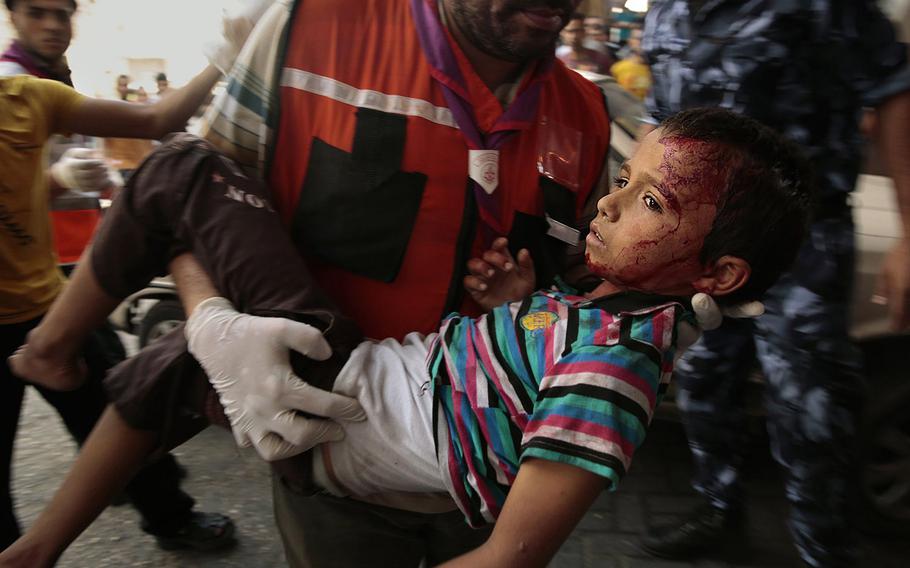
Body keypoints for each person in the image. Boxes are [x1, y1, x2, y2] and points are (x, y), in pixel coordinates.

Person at [2, 107, 814, 568]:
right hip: (360, 389)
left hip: (344, 391)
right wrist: (514, 303)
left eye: (649, 204)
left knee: (184, 170)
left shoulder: (615, 367)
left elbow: (510, 558)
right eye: (626, 179)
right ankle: (38, 549)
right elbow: (515, 386)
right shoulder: (609, 313)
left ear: (721, 273)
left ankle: (52, 350)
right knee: (170, 367)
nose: (607, 202)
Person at [144, 0, 617, 564]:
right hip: (331, 465)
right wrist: (207, 314)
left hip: (497, 476)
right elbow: (192, 199)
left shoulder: (584, 112)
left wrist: (550, 313)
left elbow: (581, 289)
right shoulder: (307, 29)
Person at [638, 2, 910, 566]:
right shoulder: (666, 10)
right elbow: (660, 127)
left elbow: (894, 87)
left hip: (803, 241)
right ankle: (719, 512)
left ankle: (822, 547)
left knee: (809, 410)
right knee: (705, 383)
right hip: (706, 244)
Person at [0, 0, 260, 551]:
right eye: (37, 13)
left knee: (127, 414)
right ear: (12, 16)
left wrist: (226, 55)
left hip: (46, 302)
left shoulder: (30, 97)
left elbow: (156, 122)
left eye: (61, 14)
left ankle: (171, 518)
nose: (52, 27)